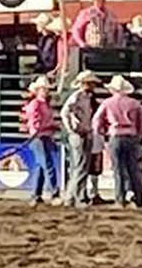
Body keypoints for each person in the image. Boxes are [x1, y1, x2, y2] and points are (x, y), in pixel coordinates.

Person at [94, 74, 142, 206]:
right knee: (134, 169)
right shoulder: (135, 104)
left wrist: (102, 132)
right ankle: (139, 198)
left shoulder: (107, 103)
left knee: (118, 170)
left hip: (115, 136)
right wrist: (138, 135)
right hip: (131, 136)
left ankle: (120, 199)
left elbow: (96, 121)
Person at [60, 71, 103, 205]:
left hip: (84, 133)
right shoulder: (77, 96)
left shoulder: (86, 97)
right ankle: (77, 196)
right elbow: (65, 112)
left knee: (79, 166)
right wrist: (72, 129)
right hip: (80, 134)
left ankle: (72, 196)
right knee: (81, 166)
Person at [20, 75, 60, 204]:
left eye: (47, 89)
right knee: (48, 165)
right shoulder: (35, 104)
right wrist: (48, 126)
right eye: (43, 89)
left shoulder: (44, 104)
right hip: (38, 137)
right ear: (38, 90)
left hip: (44, 136)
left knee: (40, 166)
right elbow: (35, 123)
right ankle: (54, 193)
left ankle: (35, 194)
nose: (46, 91)